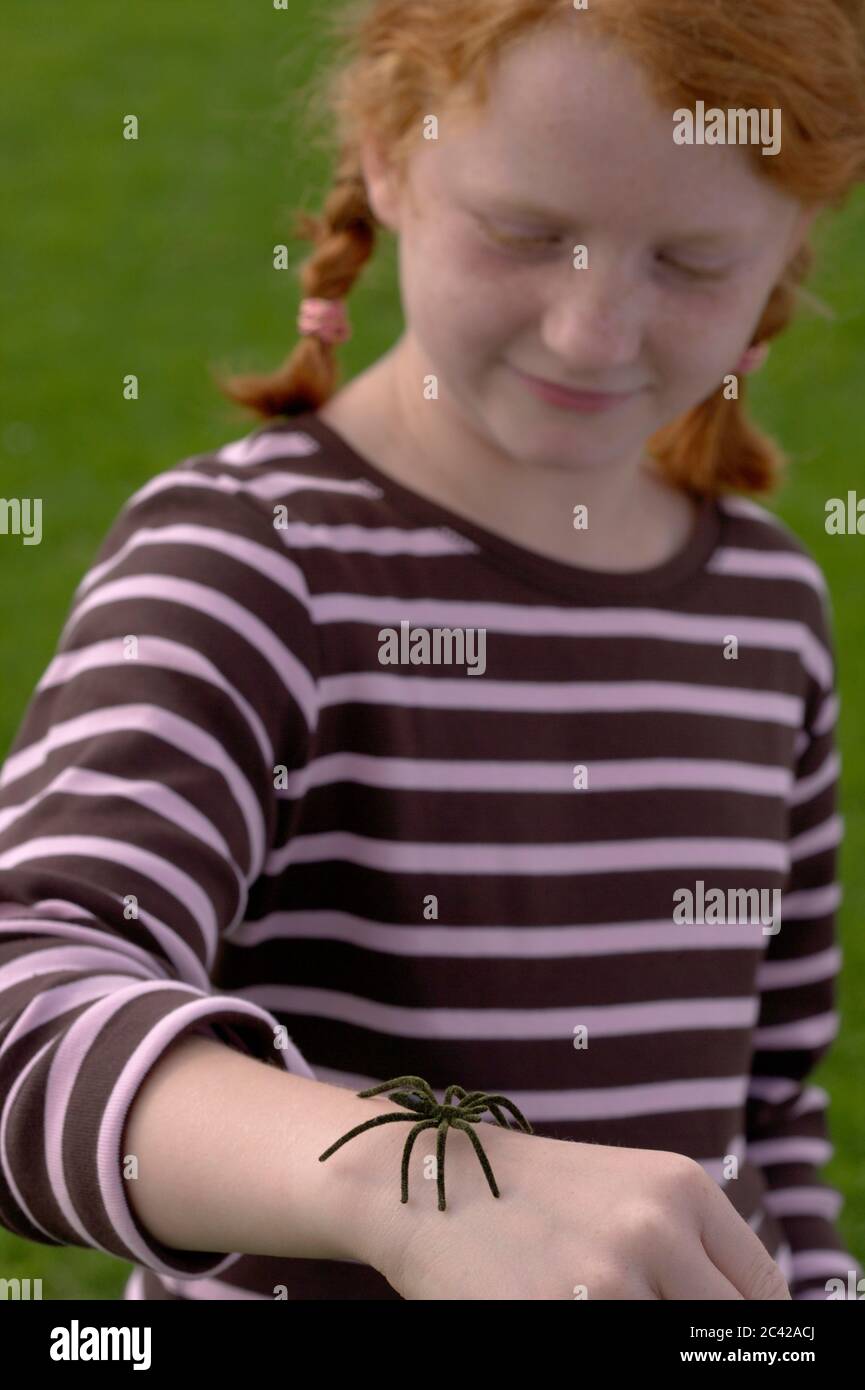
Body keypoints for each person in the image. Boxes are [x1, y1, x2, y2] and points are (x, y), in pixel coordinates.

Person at [1, 0, 863, 1301]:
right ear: (389, 155)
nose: (592, 331)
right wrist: (409, 1179)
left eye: (688, 262)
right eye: (525, 232)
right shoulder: (253, 564)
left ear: (787, 249)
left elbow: (765, 1103)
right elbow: (27, 998)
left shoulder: (764, 606)